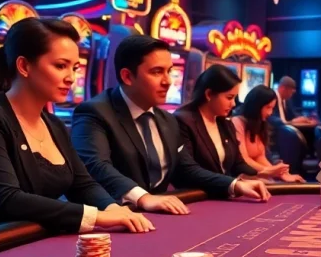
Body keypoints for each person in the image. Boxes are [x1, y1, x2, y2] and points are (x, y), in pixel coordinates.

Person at [0, 18, 153, 235]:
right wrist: (99, 217)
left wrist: (115, 210)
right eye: (60, 66)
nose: (71, 78)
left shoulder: (53, 124)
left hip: (29, 238)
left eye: (74, 68)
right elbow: (8, 198)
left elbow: (82, 184)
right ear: (24, 66)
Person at [72, 35, 269, 215]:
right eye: (157, 72)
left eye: (169, 71)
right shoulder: (94, 112)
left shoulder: (167, 119)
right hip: (110, 219)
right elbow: (96, 166)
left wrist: (235, 185)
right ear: (127, 76)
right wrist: (144, 198)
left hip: (155, 218)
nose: (168, 81)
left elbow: (187, 169)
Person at [174, 65, 265, 180]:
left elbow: (238, 163)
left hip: (223, 191)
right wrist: (232, 185)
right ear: (209, 94)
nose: (233, 104)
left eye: (234, 98)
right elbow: (189, 171)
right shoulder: (183, 121)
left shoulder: (225, 122)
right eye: (229, 97)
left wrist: (264, 173)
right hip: (196, 194)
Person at [235, 85, 304, 182]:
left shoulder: (259, 124)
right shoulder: (237, 122)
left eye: (272, 108)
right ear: (256, 106)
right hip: (241, 176)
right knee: (270, 183)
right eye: (268, 107)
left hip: (257, 174)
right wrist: (270, 171)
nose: (270, 112)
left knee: (273, 183)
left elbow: (260, 156)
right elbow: (243, 159)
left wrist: (281, 174)